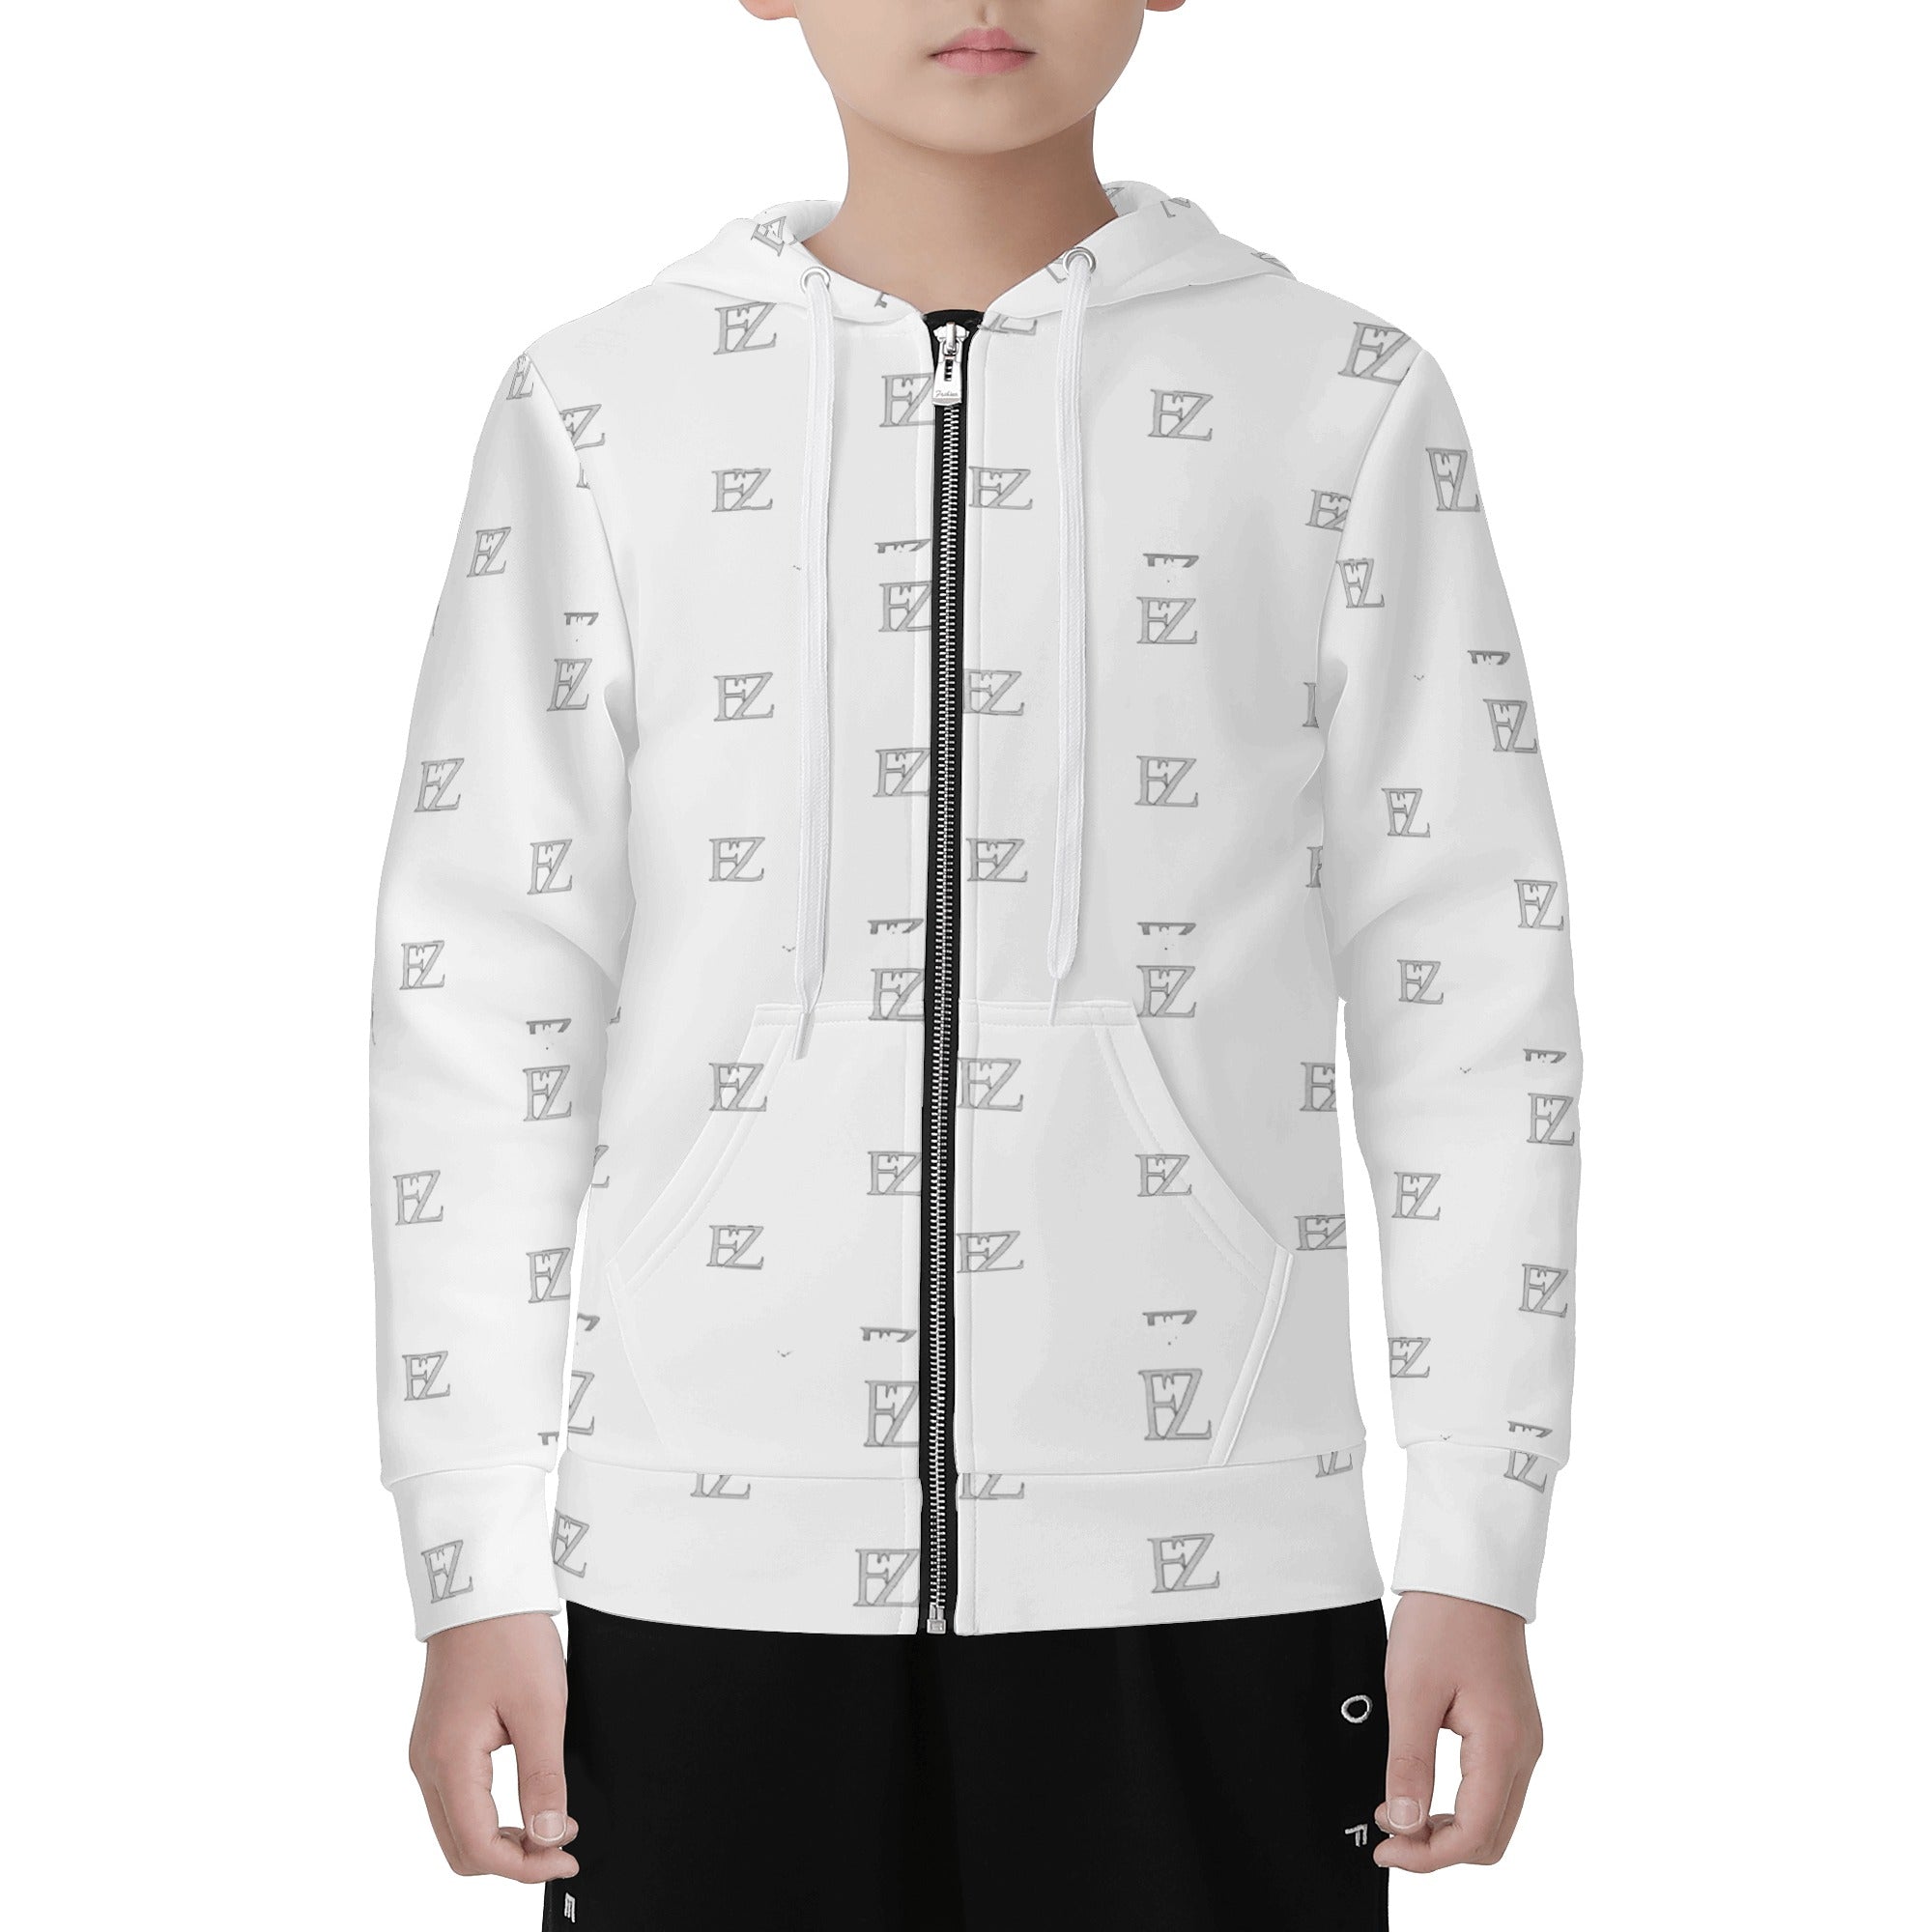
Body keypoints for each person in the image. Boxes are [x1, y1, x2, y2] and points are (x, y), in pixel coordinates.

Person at [370, 3, 1581, 1923]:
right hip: (706, 1563)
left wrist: (1475, 1548)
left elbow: (1472, 995)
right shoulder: (601, 406)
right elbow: (482, 995)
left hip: (1211, 1562)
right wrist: (472, 1562)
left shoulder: (1335, 396)